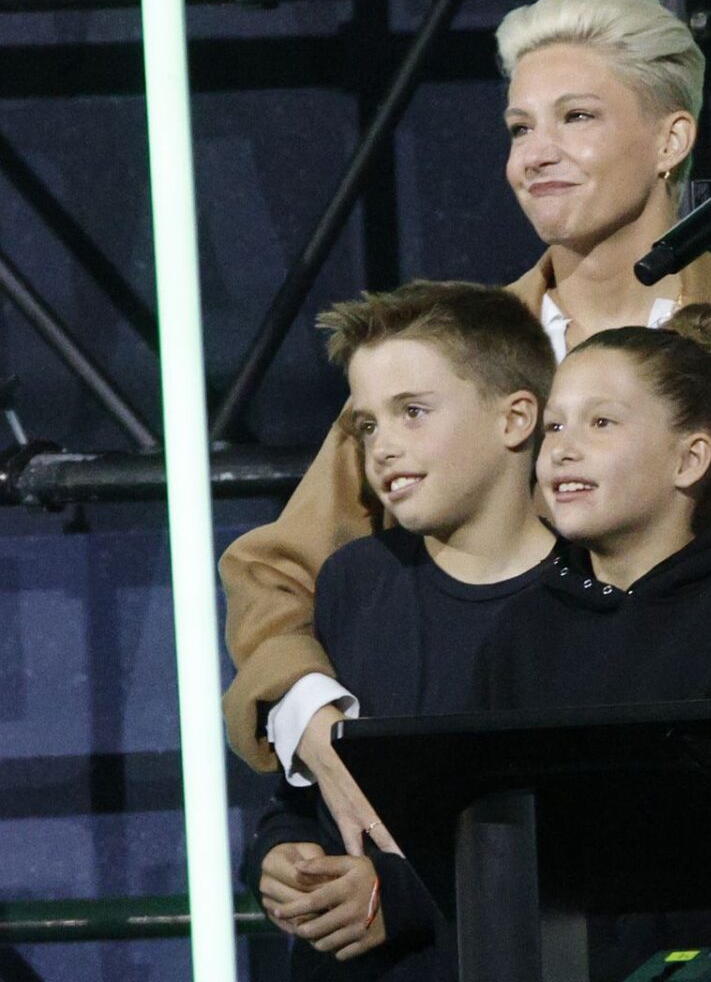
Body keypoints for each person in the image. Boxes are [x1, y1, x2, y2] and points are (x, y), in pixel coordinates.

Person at [217, 0, 711, 855]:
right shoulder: (458, 355)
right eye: (519, 128)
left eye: (576, 117)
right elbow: (273, 571)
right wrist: (314, 721)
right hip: (485, 838)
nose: (535, 155)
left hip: (707, 819)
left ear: (672, 138)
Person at [472, 312, 711, 982]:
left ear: (689, 458)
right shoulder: (521, 632)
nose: (563, 449)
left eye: (601, 423)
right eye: (555, 426)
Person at [243, 281, 558, 981]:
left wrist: (406, 897)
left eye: (412, 412)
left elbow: (579, 842)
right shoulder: (356, 580)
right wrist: (277, 855)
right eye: (368, 425)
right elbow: (307, 797)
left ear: (515, 419)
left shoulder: (583, 602)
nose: (382, 447)